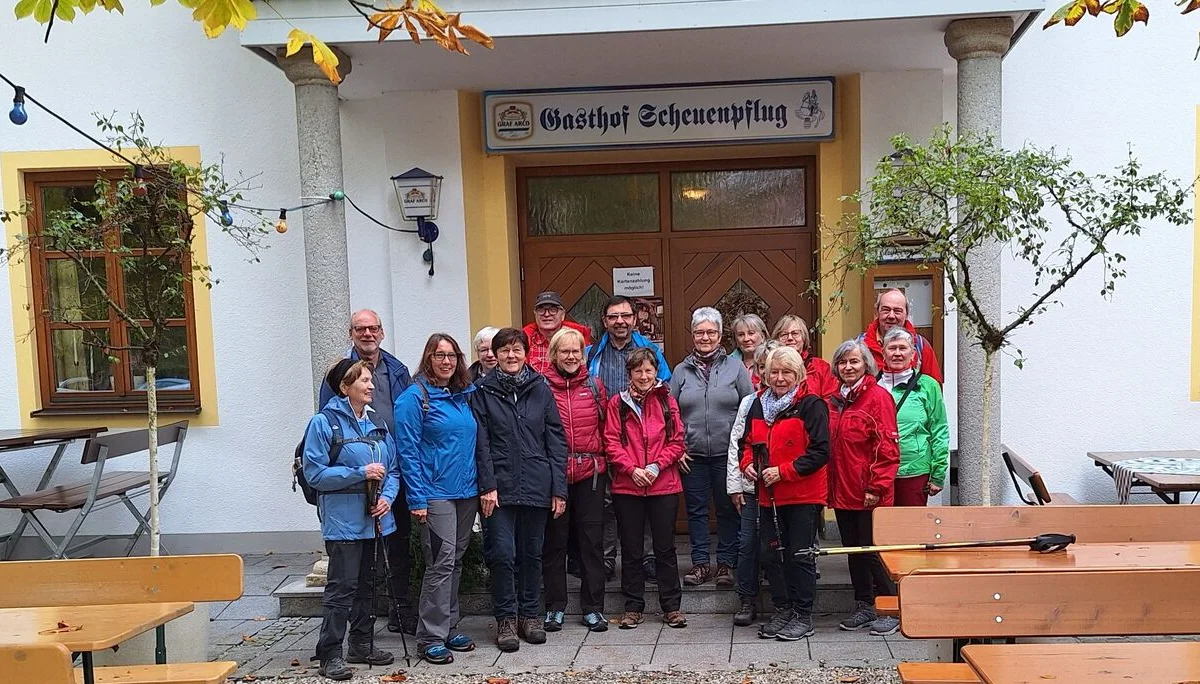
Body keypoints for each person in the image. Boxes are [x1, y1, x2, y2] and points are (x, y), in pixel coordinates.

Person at [316, 309, 417, 636]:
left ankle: (393, 615)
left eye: (373, 328)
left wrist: (390, 487)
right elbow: (328, 440)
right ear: (352, 333)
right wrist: (359, 472)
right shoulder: (338, 377)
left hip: (391, 469)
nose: (368, 334)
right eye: (361, 329)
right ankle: (337, 643)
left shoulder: (398, 370)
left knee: (393, 550)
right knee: (349, 575)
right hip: (349, 493)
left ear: (382, 332)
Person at [472, 328, 568, 652]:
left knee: (531, 554)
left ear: (526, 353)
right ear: (494, 355)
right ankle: (506, 620)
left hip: (537, 484)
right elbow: (480, 443)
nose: (510, 356)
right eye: (504, 351)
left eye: (516, 350)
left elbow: (555, 439)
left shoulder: (540, 387)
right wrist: (487, 485)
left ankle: (529, 615)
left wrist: (559, 488)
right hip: (499, 487)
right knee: (501, 554)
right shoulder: (483, 391)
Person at [304, 359, 400, 681]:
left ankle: (362, 644)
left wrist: (387, 497)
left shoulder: (379, 424)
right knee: (342, 588)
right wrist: (360, 473)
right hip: (343, 522)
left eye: (371, 380)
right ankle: (329, 653)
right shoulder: (323, 423)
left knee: (369, 587)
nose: (371, 386)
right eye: (363, 381)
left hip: (375, 520)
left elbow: (394, 470)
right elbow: (314, 474)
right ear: (345, 387)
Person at [394, 334, 481, 665]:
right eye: (439, 355)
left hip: (465, 491)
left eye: (452, 356)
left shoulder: (461, 396)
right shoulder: (414, 399)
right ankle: (430, 635)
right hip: (435, 494)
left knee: (455, 560)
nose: (446, 362)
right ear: (428, 358)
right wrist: (417, 497)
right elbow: (408, 452)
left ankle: (448, 625)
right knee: (441, 561)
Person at [740, 346, 829, 641]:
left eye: (787, 372)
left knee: (800, 555)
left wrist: (784, 471)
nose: (779, 378)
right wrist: (748, 465)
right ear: (765, 374)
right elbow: (747, 445)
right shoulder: (757, 405)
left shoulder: (811, 405)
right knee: (771, 554)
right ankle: (783, 608)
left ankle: (803, 614)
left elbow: (820, 452)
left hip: (802, 495)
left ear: (798, 375)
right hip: (768, 496)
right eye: (774, 372)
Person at [587, 295, 670, 580]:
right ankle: (608, 558)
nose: (619, 321)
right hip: (602, 438)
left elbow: (665, 390)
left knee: (643, 499)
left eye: (625, 316)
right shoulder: (592, 352)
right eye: (613, 317)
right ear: (604, 321)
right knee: (608, 503)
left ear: (634, 319)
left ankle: (646, 558)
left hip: (643, 441)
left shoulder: (650, 351)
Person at [605, 347, 688, 629]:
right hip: (627, 487)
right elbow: (611, 442)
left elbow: (677, 441)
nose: (643, 376)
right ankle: (633, 607)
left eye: (648, 370)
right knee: (631, 549)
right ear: (629, 373)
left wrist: (654, 467)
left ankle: (672, 606)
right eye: (637, 370)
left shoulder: (667, 401)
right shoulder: (618, 403)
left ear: (656, 372)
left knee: (665, 548)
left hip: (662, 484)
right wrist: (632, 469)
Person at [670, 307, 752, 587]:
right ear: (692, 335)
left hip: (727, 455)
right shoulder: (681, 371)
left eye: (710, 332)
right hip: (691, 456)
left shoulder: (735, 367)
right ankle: (700, 564)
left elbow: (750, 408)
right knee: (696, 511)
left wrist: (743, 450)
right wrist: (678, 447)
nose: (705, 337)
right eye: (699, 332)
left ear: (720, 335)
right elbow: (670, 414)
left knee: (728, 510)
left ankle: (726, 564)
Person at [828, 339, 900, 637]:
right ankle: (864, 604)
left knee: (873, 551)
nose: (848, 367)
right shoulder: (835, 399)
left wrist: (876, 486)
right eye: (843, 362)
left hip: (869, 492)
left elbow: (888, 448)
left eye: (854, 362)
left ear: (866, 365)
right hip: (843, 491)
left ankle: (891, 607)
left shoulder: (877, 398)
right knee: (853, 550)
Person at [541, 327, 610, 633]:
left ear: (583, 355)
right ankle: (555, 607)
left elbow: (607, 428)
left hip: (590, 475)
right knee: (554, 543)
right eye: (565, 351)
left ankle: (593, 608)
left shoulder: (595, 387)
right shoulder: (541, 388)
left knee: (591, 544)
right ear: (554, 355)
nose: (571, 357)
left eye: (576, 351)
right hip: (554, 474)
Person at [726, 340, 778, 626]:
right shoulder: (749, 402)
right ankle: (746, 597)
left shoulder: (798, 401)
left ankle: (782, 600)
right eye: (762, 368)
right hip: (751, 487)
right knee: (746, 544)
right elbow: (737, 442)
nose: (768, 374)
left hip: (782, 487)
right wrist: (735, 484)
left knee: (775, 544)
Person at [878, 328, 949, 507]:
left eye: (903, 348)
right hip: (878, 472)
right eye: (892, 348)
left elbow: (939, 429)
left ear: (913, 354)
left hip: (914, 471)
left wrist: (938, 473)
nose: (897, 353)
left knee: (912, 529)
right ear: (883, 352)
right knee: (881, 529)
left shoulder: (927, 385)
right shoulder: (872, 385)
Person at [859, 289, 943, 385]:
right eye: (886, 310)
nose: (891, 316)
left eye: (897, 311)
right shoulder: (861, 347)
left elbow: (934, 389)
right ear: (877, 313)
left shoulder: (920, 346)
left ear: (906, 314)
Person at [524, 291, 592, 374]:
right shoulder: (524, 340)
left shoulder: (577, 339)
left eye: (553, 310)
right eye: (541, 310)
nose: (546, 314)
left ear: (563, 315)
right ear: (535, 314)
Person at [773, 314, 837, 400]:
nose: (790, 338)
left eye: (795, 333)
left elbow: (831, 399)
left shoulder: (821, 367)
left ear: (804, 338)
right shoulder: (770, 366)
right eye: (784, 334)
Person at [729, 314, 768, 385]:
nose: (746, 339)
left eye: (751, 333)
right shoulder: (727, 363)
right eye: (741, 335)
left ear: (762, 336)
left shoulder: (773, 360)